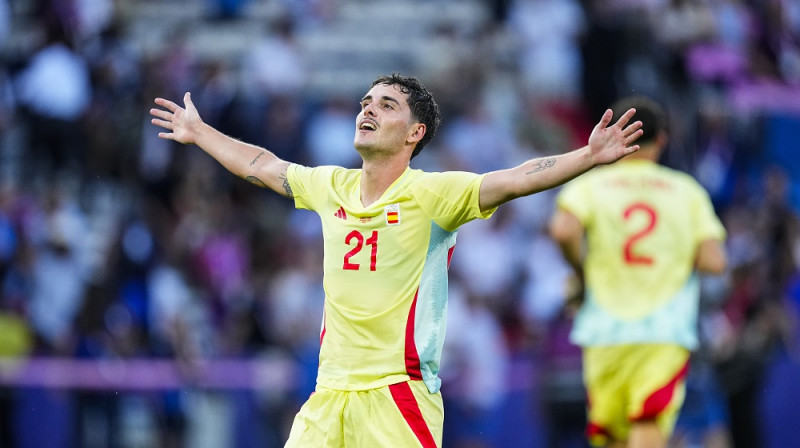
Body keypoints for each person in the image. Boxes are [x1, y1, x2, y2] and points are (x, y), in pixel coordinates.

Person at [150, 73, 643, 448]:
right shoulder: (331, 186)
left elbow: (516, 179)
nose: (368, 110)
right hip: (328, 395)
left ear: (414, 133)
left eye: (387, 105)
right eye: (366, 102)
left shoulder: (433, 194)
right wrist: (200, 132)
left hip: (397, 397)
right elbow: (262, 165)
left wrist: (587, 155)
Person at [548, 95, 727, 448]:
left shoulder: (590, 185)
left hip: (603, 328)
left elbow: (564, 230)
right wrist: (673, 250)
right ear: (662, 139)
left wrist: (580, 268)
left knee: (610, 434)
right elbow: (714, 261)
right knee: (647, 421)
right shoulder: (686, 191)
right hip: (664, 328)